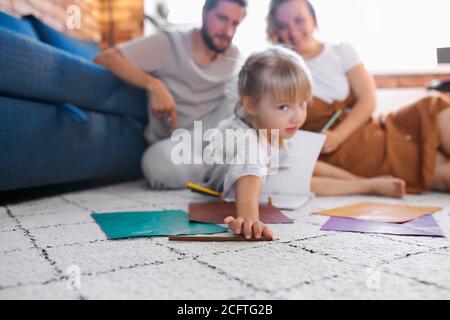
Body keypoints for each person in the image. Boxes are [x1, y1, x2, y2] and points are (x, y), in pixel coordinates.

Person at [266, 0, 450, 194]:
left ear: (313, 18)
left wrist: (338, 135)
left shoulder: (341, 51)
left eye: (299, 21)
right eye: (283, 26)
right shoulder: (278, 70)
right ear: (275, 30)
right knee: (441, 172)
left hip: (378, 128)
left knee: (433, 105)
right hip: (348, 155)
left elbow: (368, 100)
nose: (293, 32)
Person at [94, 0, 247, 189]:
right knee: (160, 166)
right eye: (222, 18)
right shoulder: (168, 43)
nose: (228, 31)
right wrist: (153, 84)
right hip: (177, 143)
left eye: (235, 23)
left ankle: (223, 170)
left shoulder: (235, 57)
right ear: (205, 13)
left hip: (214, 136)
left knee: (247, 85)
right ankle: (215, 172)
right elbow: (105, 58)